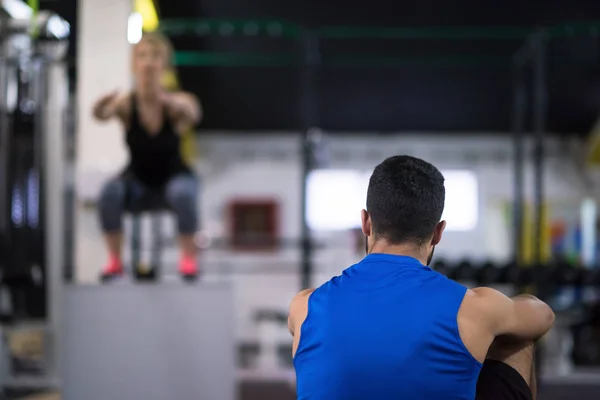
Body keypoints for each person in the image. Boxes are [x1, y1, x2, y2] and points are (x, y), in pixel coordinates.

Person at [288, 155, 555, 400]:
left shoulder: (303, 307)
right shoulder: (474, 308)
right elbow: (544, 316)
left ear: (366, 223)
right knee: (517, 338)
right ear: (438, 232)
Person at [92, 32, 202, 280]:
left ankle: (188, 261)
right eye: (143, 56)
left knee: (184, 194)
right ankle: (115, 261)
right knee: (110, 192)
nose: (149, 62)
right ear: (135, 63)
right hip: (138, 180)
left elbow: (194, 114)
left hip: (174, 177)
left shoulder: (177, 103)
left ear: (165, 64)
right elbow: (101, 115)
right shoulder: (126, 104)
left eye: (155, 56)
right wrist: (101, 104)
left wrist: (173, 104)